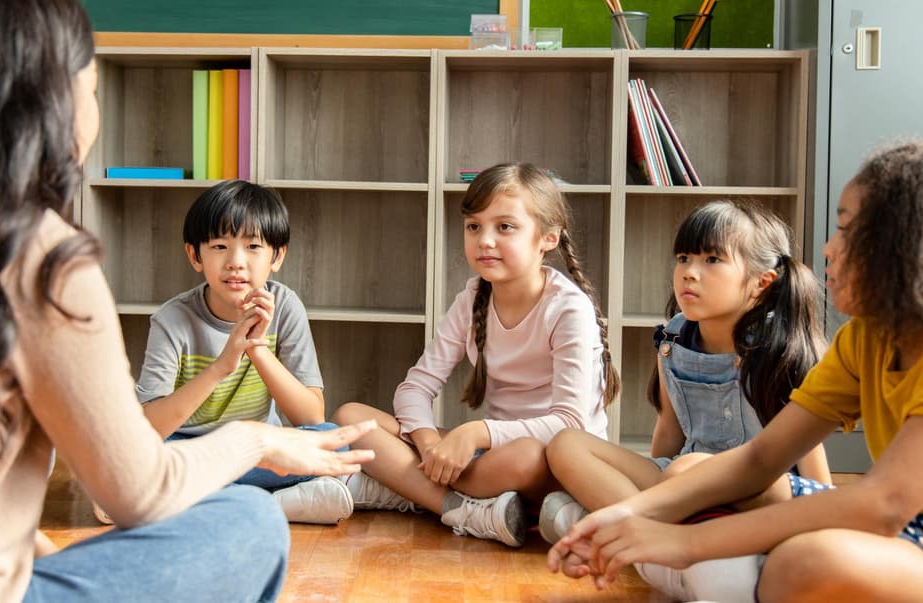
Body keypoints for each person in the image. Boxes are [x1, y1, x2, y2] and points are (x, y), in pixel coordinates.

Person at [0, 1, 375, 601]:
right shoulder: (40, 256)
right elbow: (139, 491)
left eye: (254, 246)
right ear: (47, 105)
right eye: (92, 88)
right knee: (248, 525)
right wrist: (257, 439)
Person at [548, 141, 923, 602]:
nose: (828, 247)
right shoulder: (864, 340)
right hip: (895, 527)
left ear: (901, 247)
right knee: (707, 479)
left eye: (846, 230)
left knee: (805, 561)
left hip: (905, 528)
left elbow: (884, 504)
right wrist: (628, 515)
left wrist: (685, 543)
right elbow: (760, 461)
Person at [539, 200, 830, 601]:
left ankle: (619, 529)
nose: (689, 272)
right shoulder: (673, 339)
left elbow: (813, 468)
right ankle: (647, 529)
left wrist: (820, 525)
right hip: (680, 484)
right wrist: (654, 484)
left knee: (687, 471)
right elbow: (670, 432)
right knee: (565, 444)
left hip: (753, 494)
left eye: (712, 259)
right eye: (683, 257)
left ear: (761, 283)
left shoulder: (777, 350)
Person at [333, 162, 619, 547]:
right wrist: (429, 443)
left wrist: (475, 432)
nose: (485, 240)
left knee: (525, 456)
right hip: (488, 454)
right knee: (352, 418)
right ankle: (463, 508)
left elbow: (568, 424)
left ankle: (408, 490)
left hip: (547, 460)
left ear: (547, 238)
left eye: (505, 227)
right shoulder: (472, 299)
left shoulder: (568, 309)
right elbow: (415, 387)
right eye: (474, 226)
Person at [116, 179, 353, 526]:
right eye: (219, 246)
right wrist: (222, 366)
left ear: (278, 256)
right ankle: (277, 503)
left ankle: (189, 501)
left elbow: (311, 417)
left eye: (253, 246)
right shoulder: (172, 319)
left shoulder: (285, 306)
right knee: (130, 458)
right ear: (195, 255)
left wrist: (257, 348)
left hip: (255, 451)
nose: (236, 262)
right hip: (190, 448)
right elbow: (150, 426)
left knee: (334, 442)